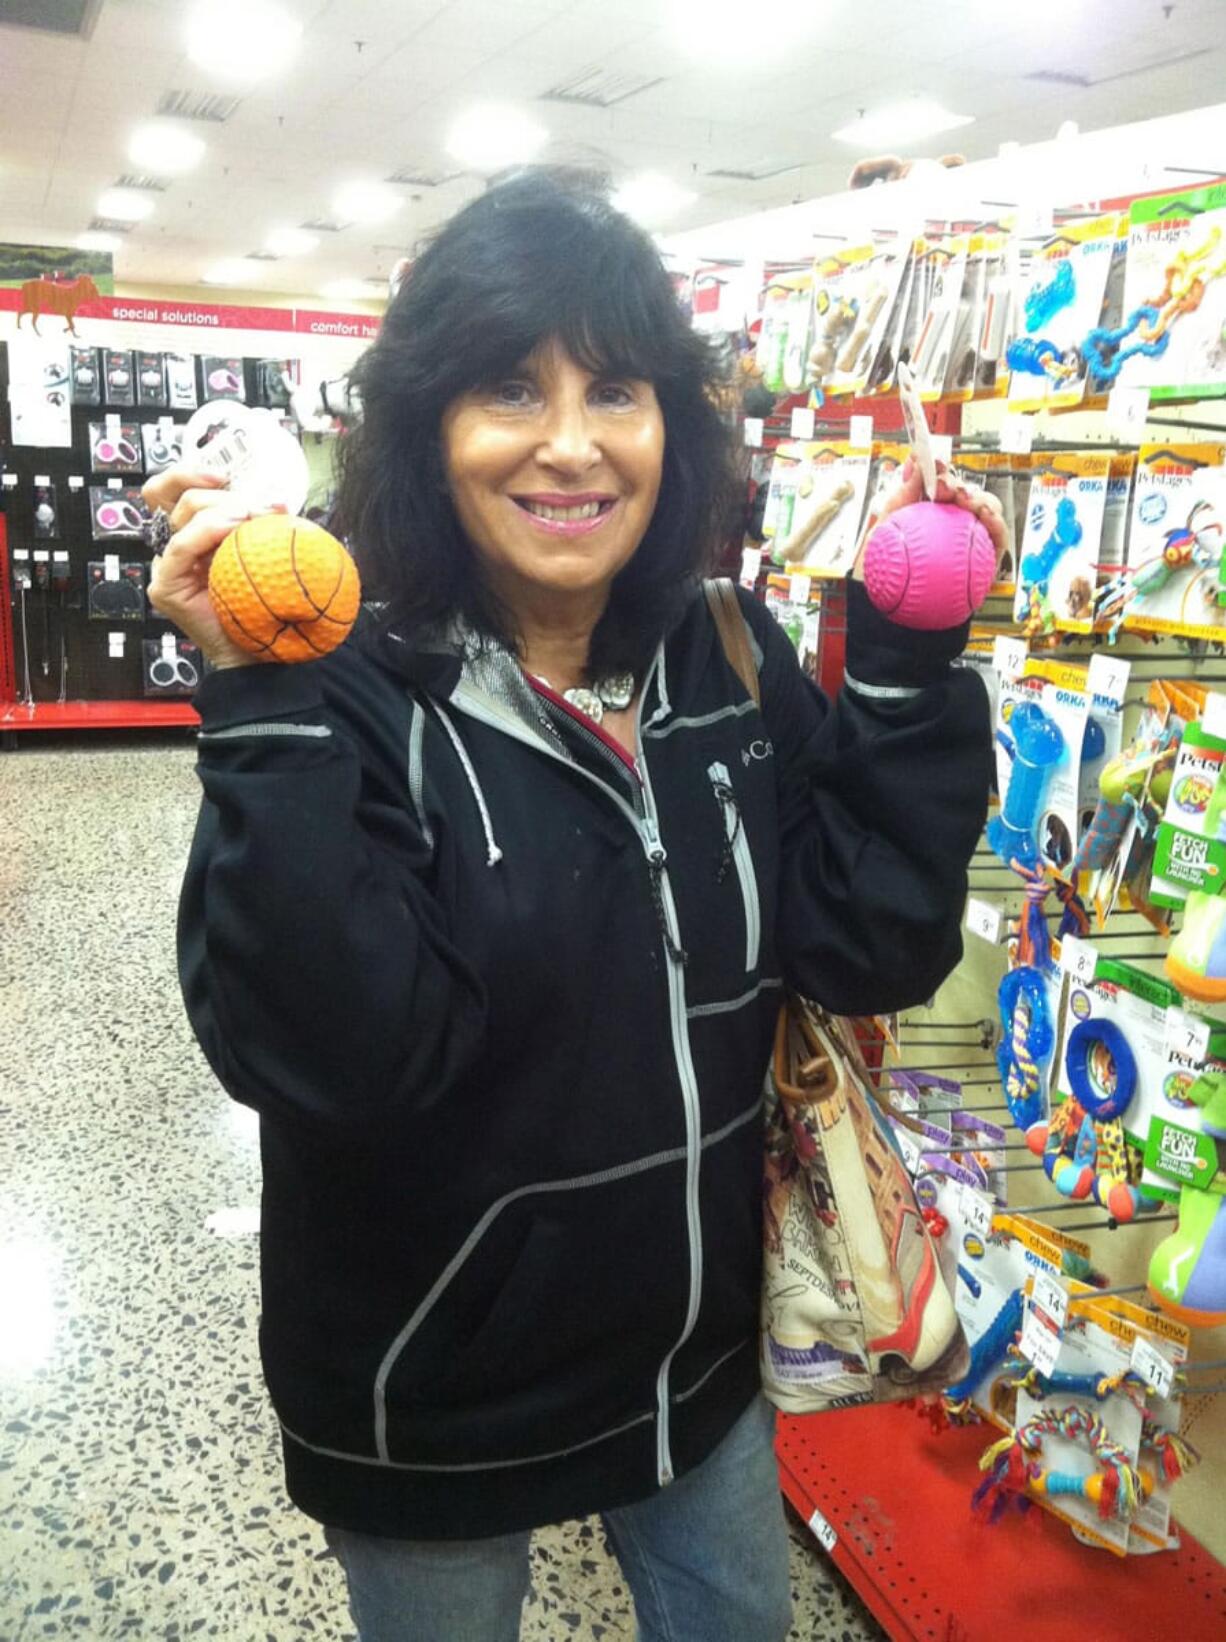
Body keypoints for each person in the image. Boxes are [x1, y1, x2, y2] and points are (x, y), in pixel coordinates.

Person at [146, 169, 1001, 1642]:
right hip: (431, 1383)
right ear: (427, 430)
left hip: (693, 1365)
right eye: (505, 389)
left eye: (614, 389)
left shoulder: (726, 657)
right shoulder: (344, 694)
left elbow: (867, 939)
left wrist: (908, 678)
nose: (566, 444)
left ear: (669, 424)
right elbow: (323, 1058)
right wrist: (260, 702)